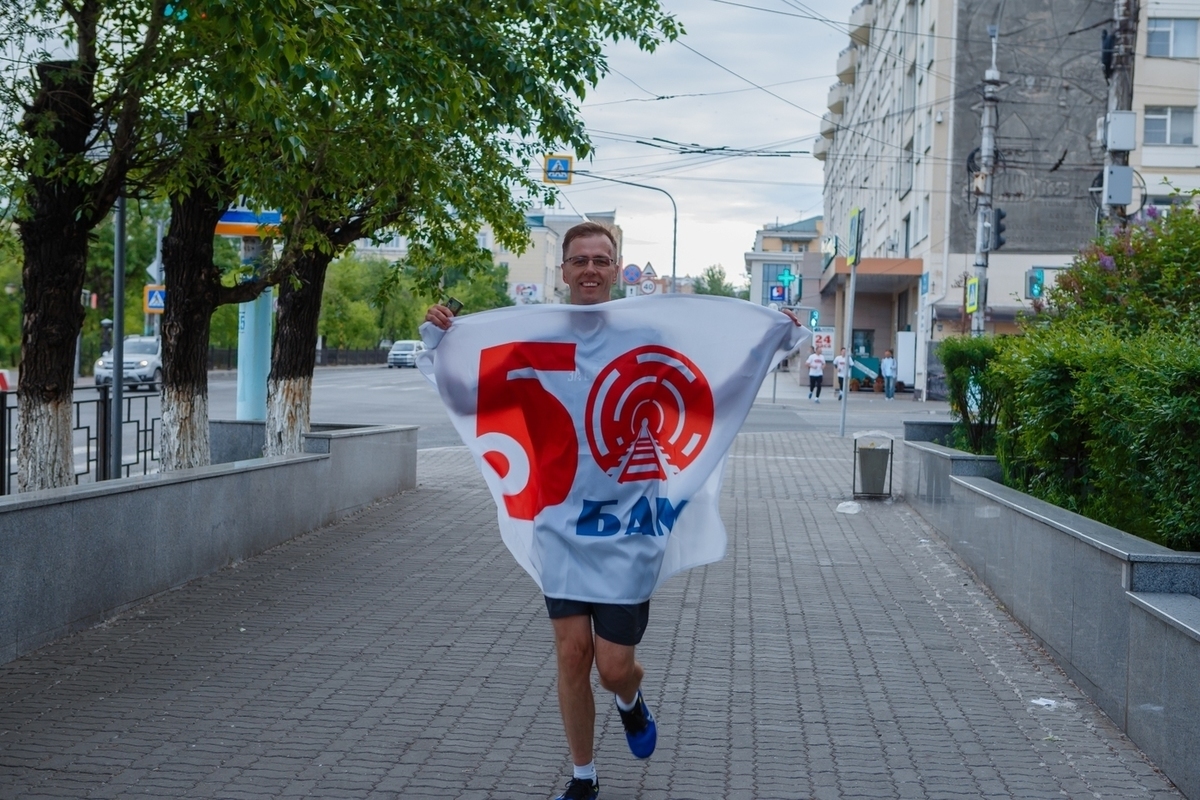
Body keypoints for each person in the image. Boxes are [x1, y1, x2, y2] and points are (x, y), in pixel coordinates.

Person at [425, 222, 802, 800]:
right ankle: (584, 778)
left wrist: (771, 340)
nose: (591, 270)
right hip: (559, 523)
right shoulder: (536, 337)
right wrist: (440, 339)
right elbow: (476, 390)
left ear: (617, 266)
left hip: (628, 525)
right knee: (573, 654)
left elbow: (710, 388)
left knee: (612, 666)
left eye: (602, 260)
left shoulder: (645, 334)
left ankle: (630, 698)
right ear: (564, 271)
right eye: (580, 260)